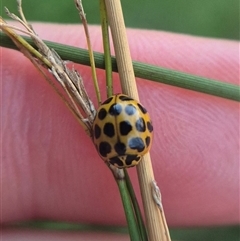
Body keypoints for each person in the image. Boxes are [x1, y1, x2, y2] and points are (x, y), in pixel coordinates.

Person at [1, 23, 239, 240]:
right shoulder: (112, 152)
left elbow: (143, 127)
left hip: (122, 110)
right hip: (117, 112)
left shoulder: (132, 149)